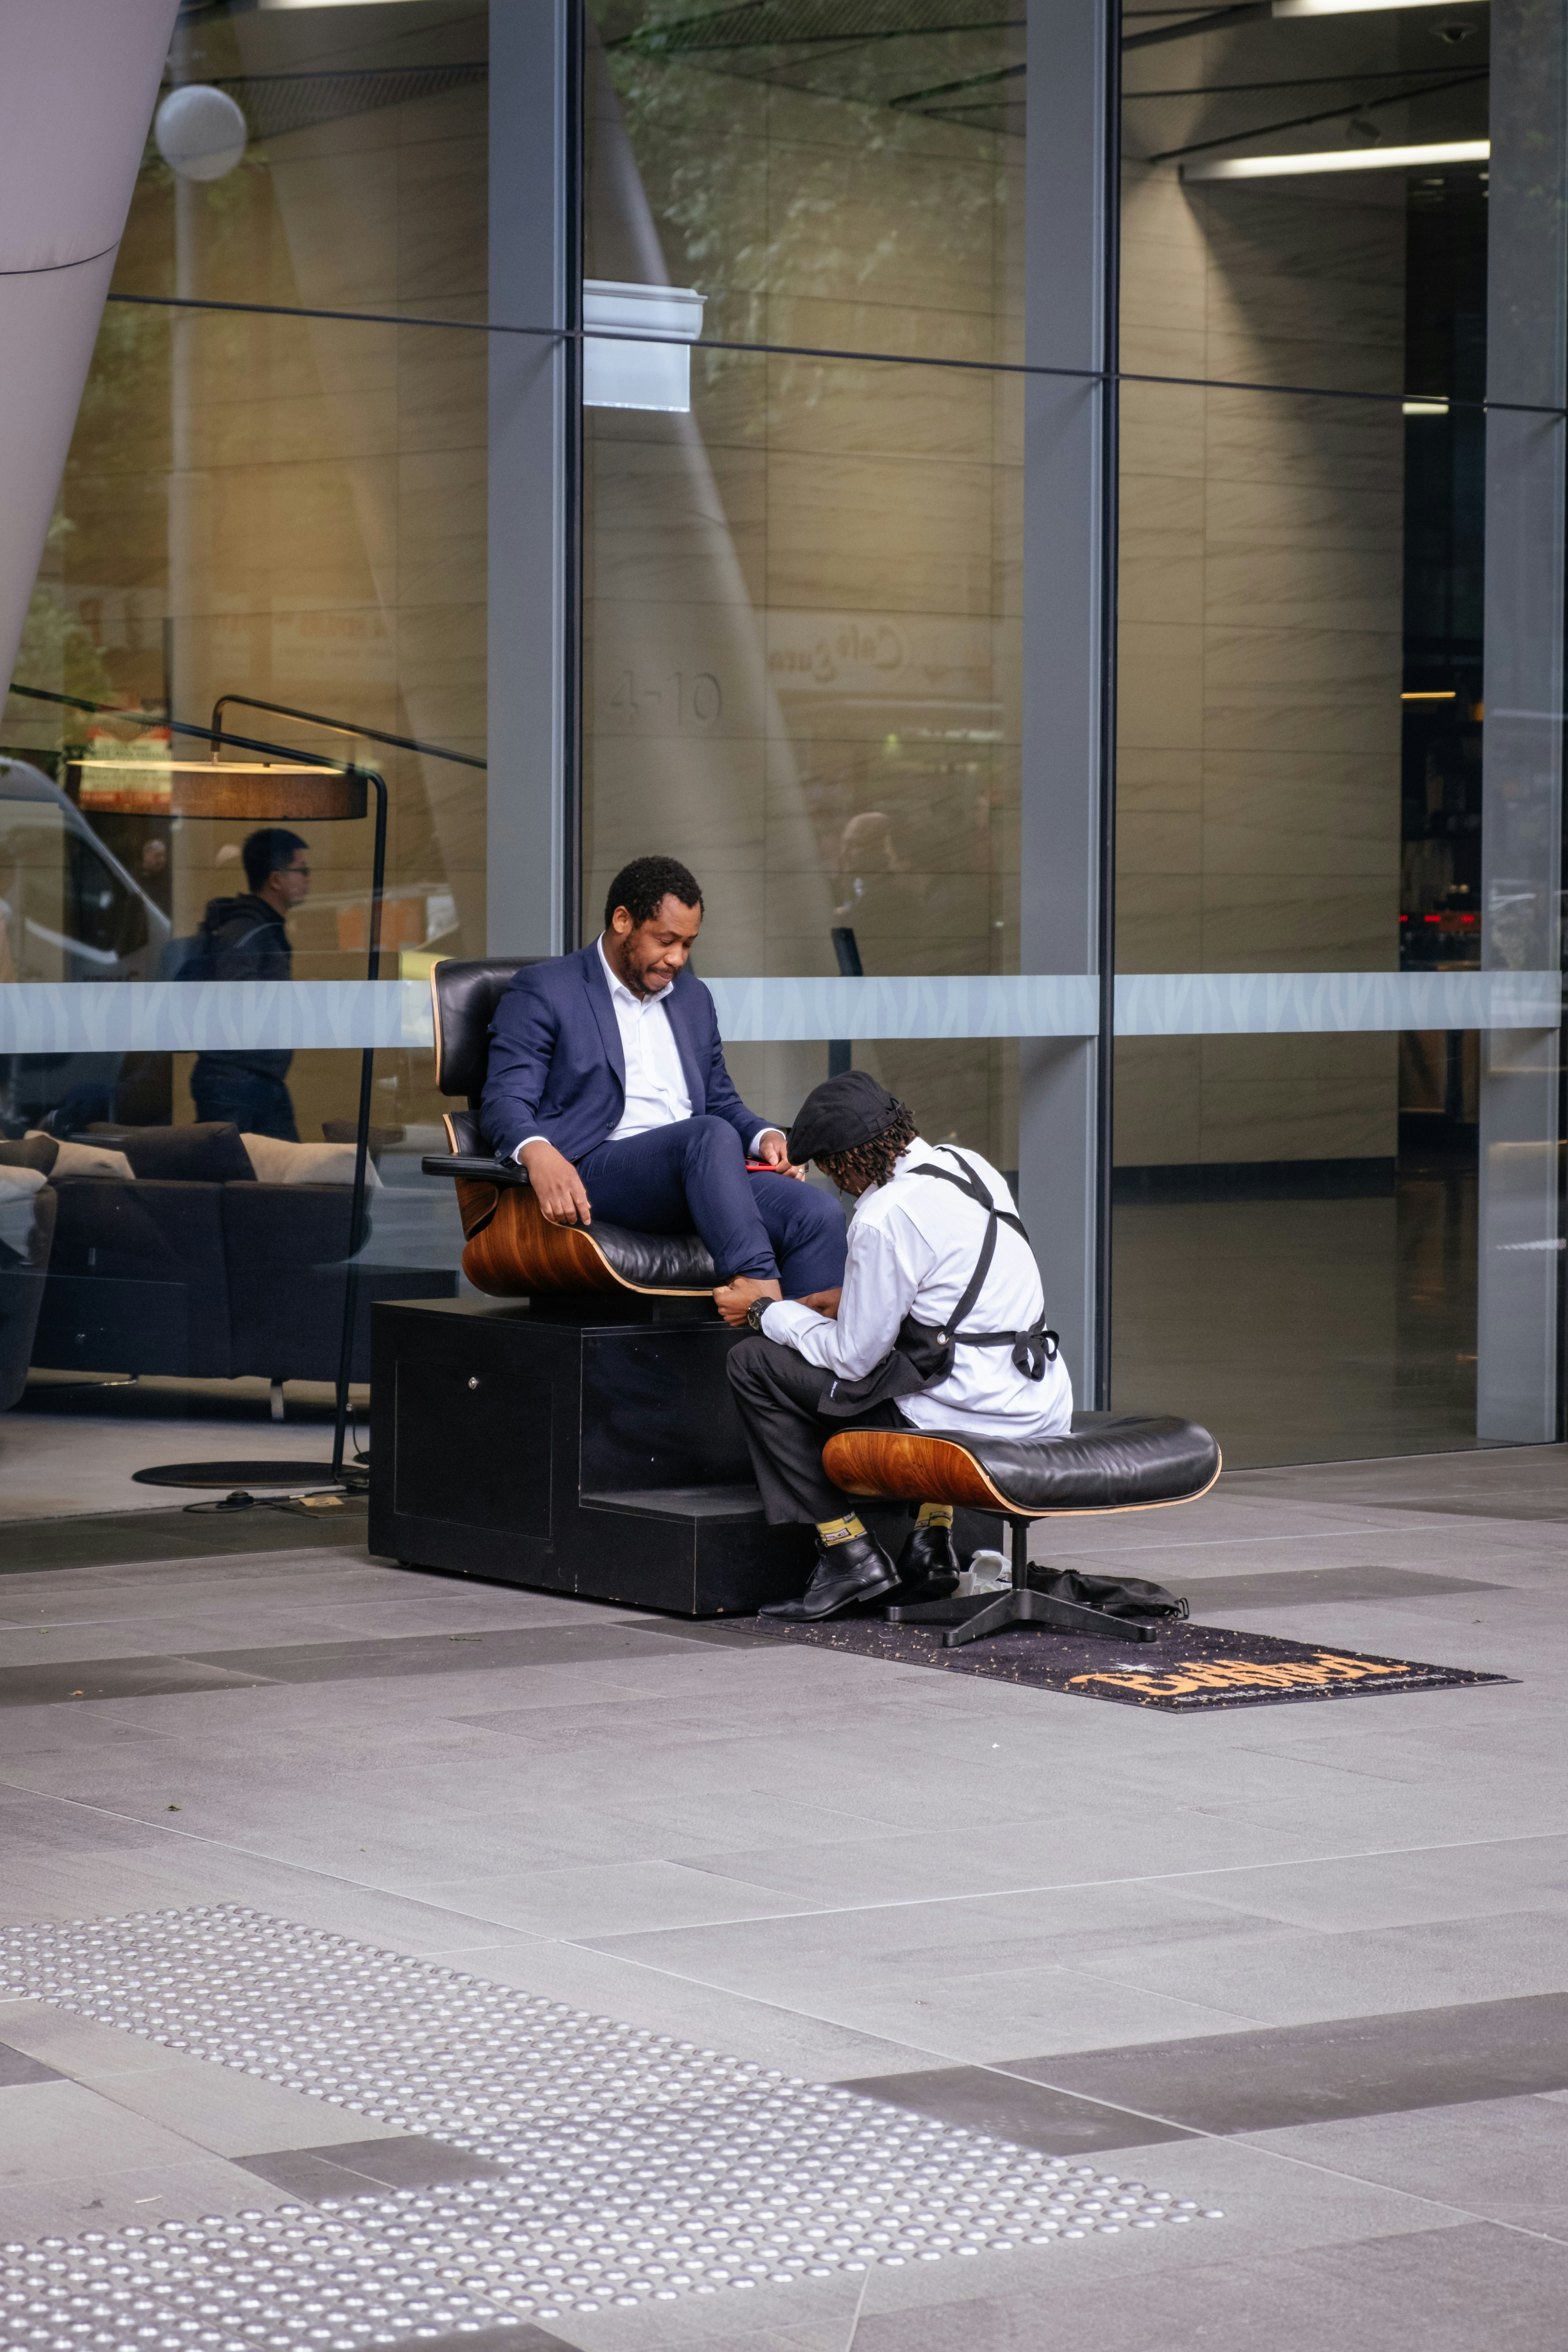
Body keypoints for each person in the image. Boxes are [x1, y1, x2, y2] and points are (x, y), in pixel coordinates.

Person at [721, 1070, 1074, 1621]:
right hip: (1040, 1405)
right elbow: (956, 1289)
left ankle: (848, 1551)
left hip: (972, 1416)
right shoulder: (971, 1167)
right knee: (928, 1368)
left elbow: (851, 1360)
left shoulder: (882, 1215)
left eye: (833, 1172)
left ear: (847, 1163)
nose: (841, 1186)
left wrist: (766, 1311)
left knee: (752, 1362)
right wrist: (852, 1298)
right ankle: (931, 1540)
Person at [481, 854, 847, 1313]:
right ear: (623, 921)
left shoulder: (693, 998)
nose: (677, 958)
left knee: (817, 1214)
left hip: (699, 1168)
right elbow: (504, 1100)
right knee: (706, 1136)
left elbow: (720, 1102)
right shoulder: (546, 989)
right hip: (597, 1171)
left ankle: (801, 1355)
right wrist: (539, 1155)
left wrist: (765, 1137)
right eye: (666, 940)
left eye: (688, 944)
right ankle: (758, 1291)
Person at [187, 828, 310, 1140]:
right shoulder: (247, 929)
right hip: (236, 1081)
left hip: (258, 1079)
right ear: (276, 880)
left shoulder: (260, 927)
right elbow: (237, 999)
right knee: (236, 1167)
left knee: (281, 1165)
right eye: (302, 870)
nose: (308, 879)